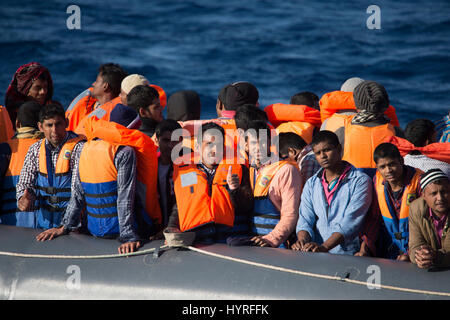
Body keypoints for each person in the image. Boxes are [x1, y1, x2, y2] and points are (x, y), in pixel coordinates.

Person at [36, 107, 145, 254]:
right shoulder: (124, 153)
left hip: (94, 231)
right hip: (118, 231)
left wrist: (65, 226)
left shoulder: (85, 148)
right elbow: (125, 198)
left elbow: (77, 195)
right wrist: (128, 236)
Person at [167, 122, 253, 243]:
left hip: (229, 236)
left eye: (218, 145)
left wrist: (234, 190)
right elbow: (181, 202)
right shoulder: (185, 169)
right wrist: (172, 225)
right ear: (197, 147)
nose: (214, 149)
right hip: (196, 235)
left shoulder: (238, 168)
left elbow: (247, 205)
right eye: (209, 144)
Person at [292, 130, 373, 255]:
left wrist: (324, 247)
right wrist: (302, 241)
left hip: (348, 254)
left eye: (327, 150)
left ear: (339, 149)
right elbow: (305, 219)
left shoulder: (360, 181)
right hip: (316, 252)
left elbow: (350, 222)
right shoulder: (312, 184)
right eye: (318, 153)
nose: (323, 156)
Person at [15, 103, 85, 229]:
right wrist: (22, 197)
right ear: (40, 127)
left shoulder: (78, 148)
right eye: (49, 125)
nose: (54, 130)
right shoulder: (35, 150)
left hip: (73, 227)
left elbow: (77, 192)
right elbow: (25, 182)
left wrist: (64, 227)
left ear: (66, 123)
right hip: (44, 225)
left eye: (58, 124)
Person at [358, 143, 422, 260]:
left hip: (418, 249)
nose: (388, 170)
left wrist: (410, 253)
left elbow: (428, 223)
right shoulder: (377, 182)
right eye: (382, 167)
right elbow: (374, 218)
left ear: (401, 161)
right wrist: (365, 247)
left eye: (392, 164)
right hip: (391, 248)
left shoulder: (419, 181)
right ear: (377, 168)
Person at [246, 121, 301, 248]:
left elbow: (290, 214)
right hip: (251, 244)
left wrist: (271, 239)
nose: (259, 147)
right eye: (254, 143)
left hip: (277, 246)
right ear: (246, 146)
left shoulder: (287, 170)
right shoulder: (248, 171)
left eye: (263, 142)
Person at [341, 80, 404, 177]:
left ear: (357, 105)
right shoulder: (397, 133)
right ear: (385, 105)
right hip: (384, 187)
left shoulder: (342, 132)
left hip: (354, 187)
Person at [0, 102, 44, 226]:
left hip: (10, 225)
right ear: (42, 125)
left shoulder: (6, 149)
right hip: (44, 225)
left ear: (17, 123)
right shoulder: (50, 149)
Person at [67, 63, 127, 132]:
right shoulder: (90, 107)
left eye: (97, 81)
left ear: (105, 86)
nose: (93, 84)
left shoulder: (116, 117)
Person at [409, 169, 450, 269]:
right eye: (434, 193)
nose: (440, 198)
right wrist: (419, 256)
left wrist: (434, 256)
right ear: (424, 196)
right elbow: (415, 245)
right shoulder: (415, 208)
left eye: (444, 192)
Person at [154, 119, 183, 231]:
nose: (171, 145)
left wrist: (172, 226)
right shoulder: (149, 166)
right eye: (165, 140)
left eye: (175, 141)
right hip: (155, 229)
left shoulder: (191, 166)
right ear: (156, 140)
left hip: (179, 228)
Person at [5, 62, 54, 128]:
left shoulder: (53, 112)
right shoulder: (8, 117)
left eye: (45, 87)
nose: (43, 92)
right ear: (25, 90)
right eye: (38, 88)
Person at [278, 132, 321, 196]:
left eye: (285, 158)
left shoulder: (308, 161)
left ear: (292, 151)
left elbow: (306, 193)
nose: (285, 162)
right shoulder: (312, 154)